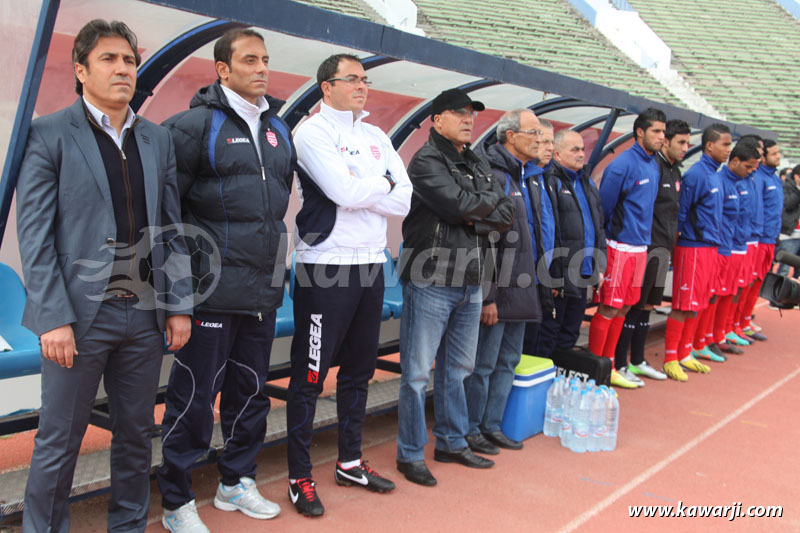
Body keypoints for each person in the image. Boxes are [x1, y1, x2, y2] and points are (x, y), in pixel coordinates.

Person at [16, 19, 192, 532]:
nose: (122, 69)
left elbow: (173, 229)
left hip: (143, 316)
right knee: (59, 439)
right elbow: (36, 236)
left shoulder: (156, 139)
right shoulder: (49, 133)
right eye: (109, 59)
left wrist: (179, 303)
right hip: (79, 317)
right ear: (80, 70)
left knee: (137, 435)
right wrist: (52, 317)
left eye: (130, 60)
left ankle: (129, 526)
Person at [156, 29, 294, 531]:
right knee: (194, 398)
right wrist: (181, 290)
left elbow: (276, 209)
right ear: (222, 69)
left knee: (251, 391)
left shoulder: (279, 129)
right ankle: (176, 502)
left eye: (265, 59)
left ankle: (235, 483)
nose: (261, 68)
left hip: (261, 290)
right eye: (249, 59)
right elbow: (170, 213)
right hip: (210, 291)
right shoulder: (193, 127)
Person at [286, 53, 412, 516]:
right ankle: (300, 475)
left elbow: (404, 200)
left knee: (359, 372)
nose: (362, 85)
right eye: (352, 79)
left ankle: (350, 461)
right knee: (310, 377)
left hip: (371, 265)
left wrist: (368, 185)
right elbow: (342, 193)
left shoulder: (376, 134)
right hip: (326, 267)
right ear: (326, 86)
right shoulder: (312, 132)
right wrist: (376, 186)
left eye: (365, 79)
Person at [397, 88, 514, 487]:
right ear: (436, 119)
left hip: (471, 279)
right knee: (415, 374)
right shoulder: (426, 159)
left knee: (459, 369)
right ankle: (410, 453)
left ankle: (450, 440)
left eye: (472, 113)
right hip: (431, 277)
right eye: (459, 112)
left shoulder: (476, 158)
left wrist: (473, 214)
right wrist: (477, 210)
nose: (468, 119)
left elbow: (505, 211)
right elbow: (459, 206)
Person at [465, 109, 547, 455]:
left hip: (523, 285)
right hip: (499, 290)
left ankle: (492, 425)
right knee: (482, 364)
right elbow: (486, 240)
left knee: (508, 361)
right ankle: (470, 429)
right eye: (533, 133)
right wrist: (488, 296)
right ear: (510, 136)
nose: (540, 141)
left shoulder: (525, 175)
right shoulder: (493, 174)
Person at [588, 108, 665, 389]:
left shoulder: (653, 164)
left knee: (625, 307)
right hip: (618, 246)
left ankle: (609, 365)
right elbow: (604, 209)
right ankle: (596, 368)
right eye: (656, 131)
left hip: (640, 248)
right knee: (609, 308)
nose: (661, 137)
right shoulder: (621, 165)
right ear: (640, 132)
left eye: (663, 132)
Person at [614, 119, 690, 381]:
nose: (685, 147)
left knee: (647, 305)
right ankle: (620, 362)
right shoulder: (652, 166)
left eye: (688, 142)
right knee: (631, 306)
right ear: (666, 141)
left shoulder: (674, 172)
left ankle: (637, 359)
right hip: (645, 247)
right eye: (680, 141)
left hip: (663, 249)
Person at [662, 123, 730, 381]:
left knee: (697, 304)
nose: (728, 150)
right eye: (724, 144)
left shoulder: (716, 175)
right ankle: (670, 358)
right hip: (692, 248)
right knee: (683, 303)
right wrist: (674, 247)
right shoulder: (696, 175)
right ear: (710, 145)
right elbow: (679, 215)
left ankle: (684, 353)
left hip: (710, 248)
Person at [535, 130, 605, 357]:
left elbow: (598, 225)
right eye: (574, 149)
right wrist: (553, 273)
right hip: (560, 275)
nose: (581, 154)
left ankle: (559, 384)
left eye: (582, 149)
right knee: (549, 333)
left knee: (570, 333)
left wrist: (599, 266)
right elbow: (550, 230)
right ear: (556, 153)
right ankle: (544, 384)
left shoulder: (586, 181)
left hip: (582, 273)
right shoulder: (550, 180)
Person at [521, 119, 557, 355]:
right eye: (543, 141)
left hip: (543, 272)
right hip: (521, 276)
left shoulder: (543, 177)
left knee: (540, 335)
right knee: (522, 342)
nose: (548, 147)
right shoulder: (521, 177)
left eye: (551, 142)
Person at [740, 138, 782, 339]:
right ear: (763, 157)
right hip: (757, 238)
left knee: (757, 282)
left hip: (770, 239)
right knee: (746, 283)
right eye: (774, 154)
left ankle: (745, 319)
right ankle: (736, 323)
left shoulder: (774, 178)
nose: (779, 157)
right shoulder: (758, 178)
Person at [776, 164, 800, 278]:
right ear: (796, 176)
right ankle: (777, 293)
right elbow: (788, 204)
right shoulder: (785, 186)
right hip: (789, 234)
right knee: (784, 269)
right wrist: (798, 190)